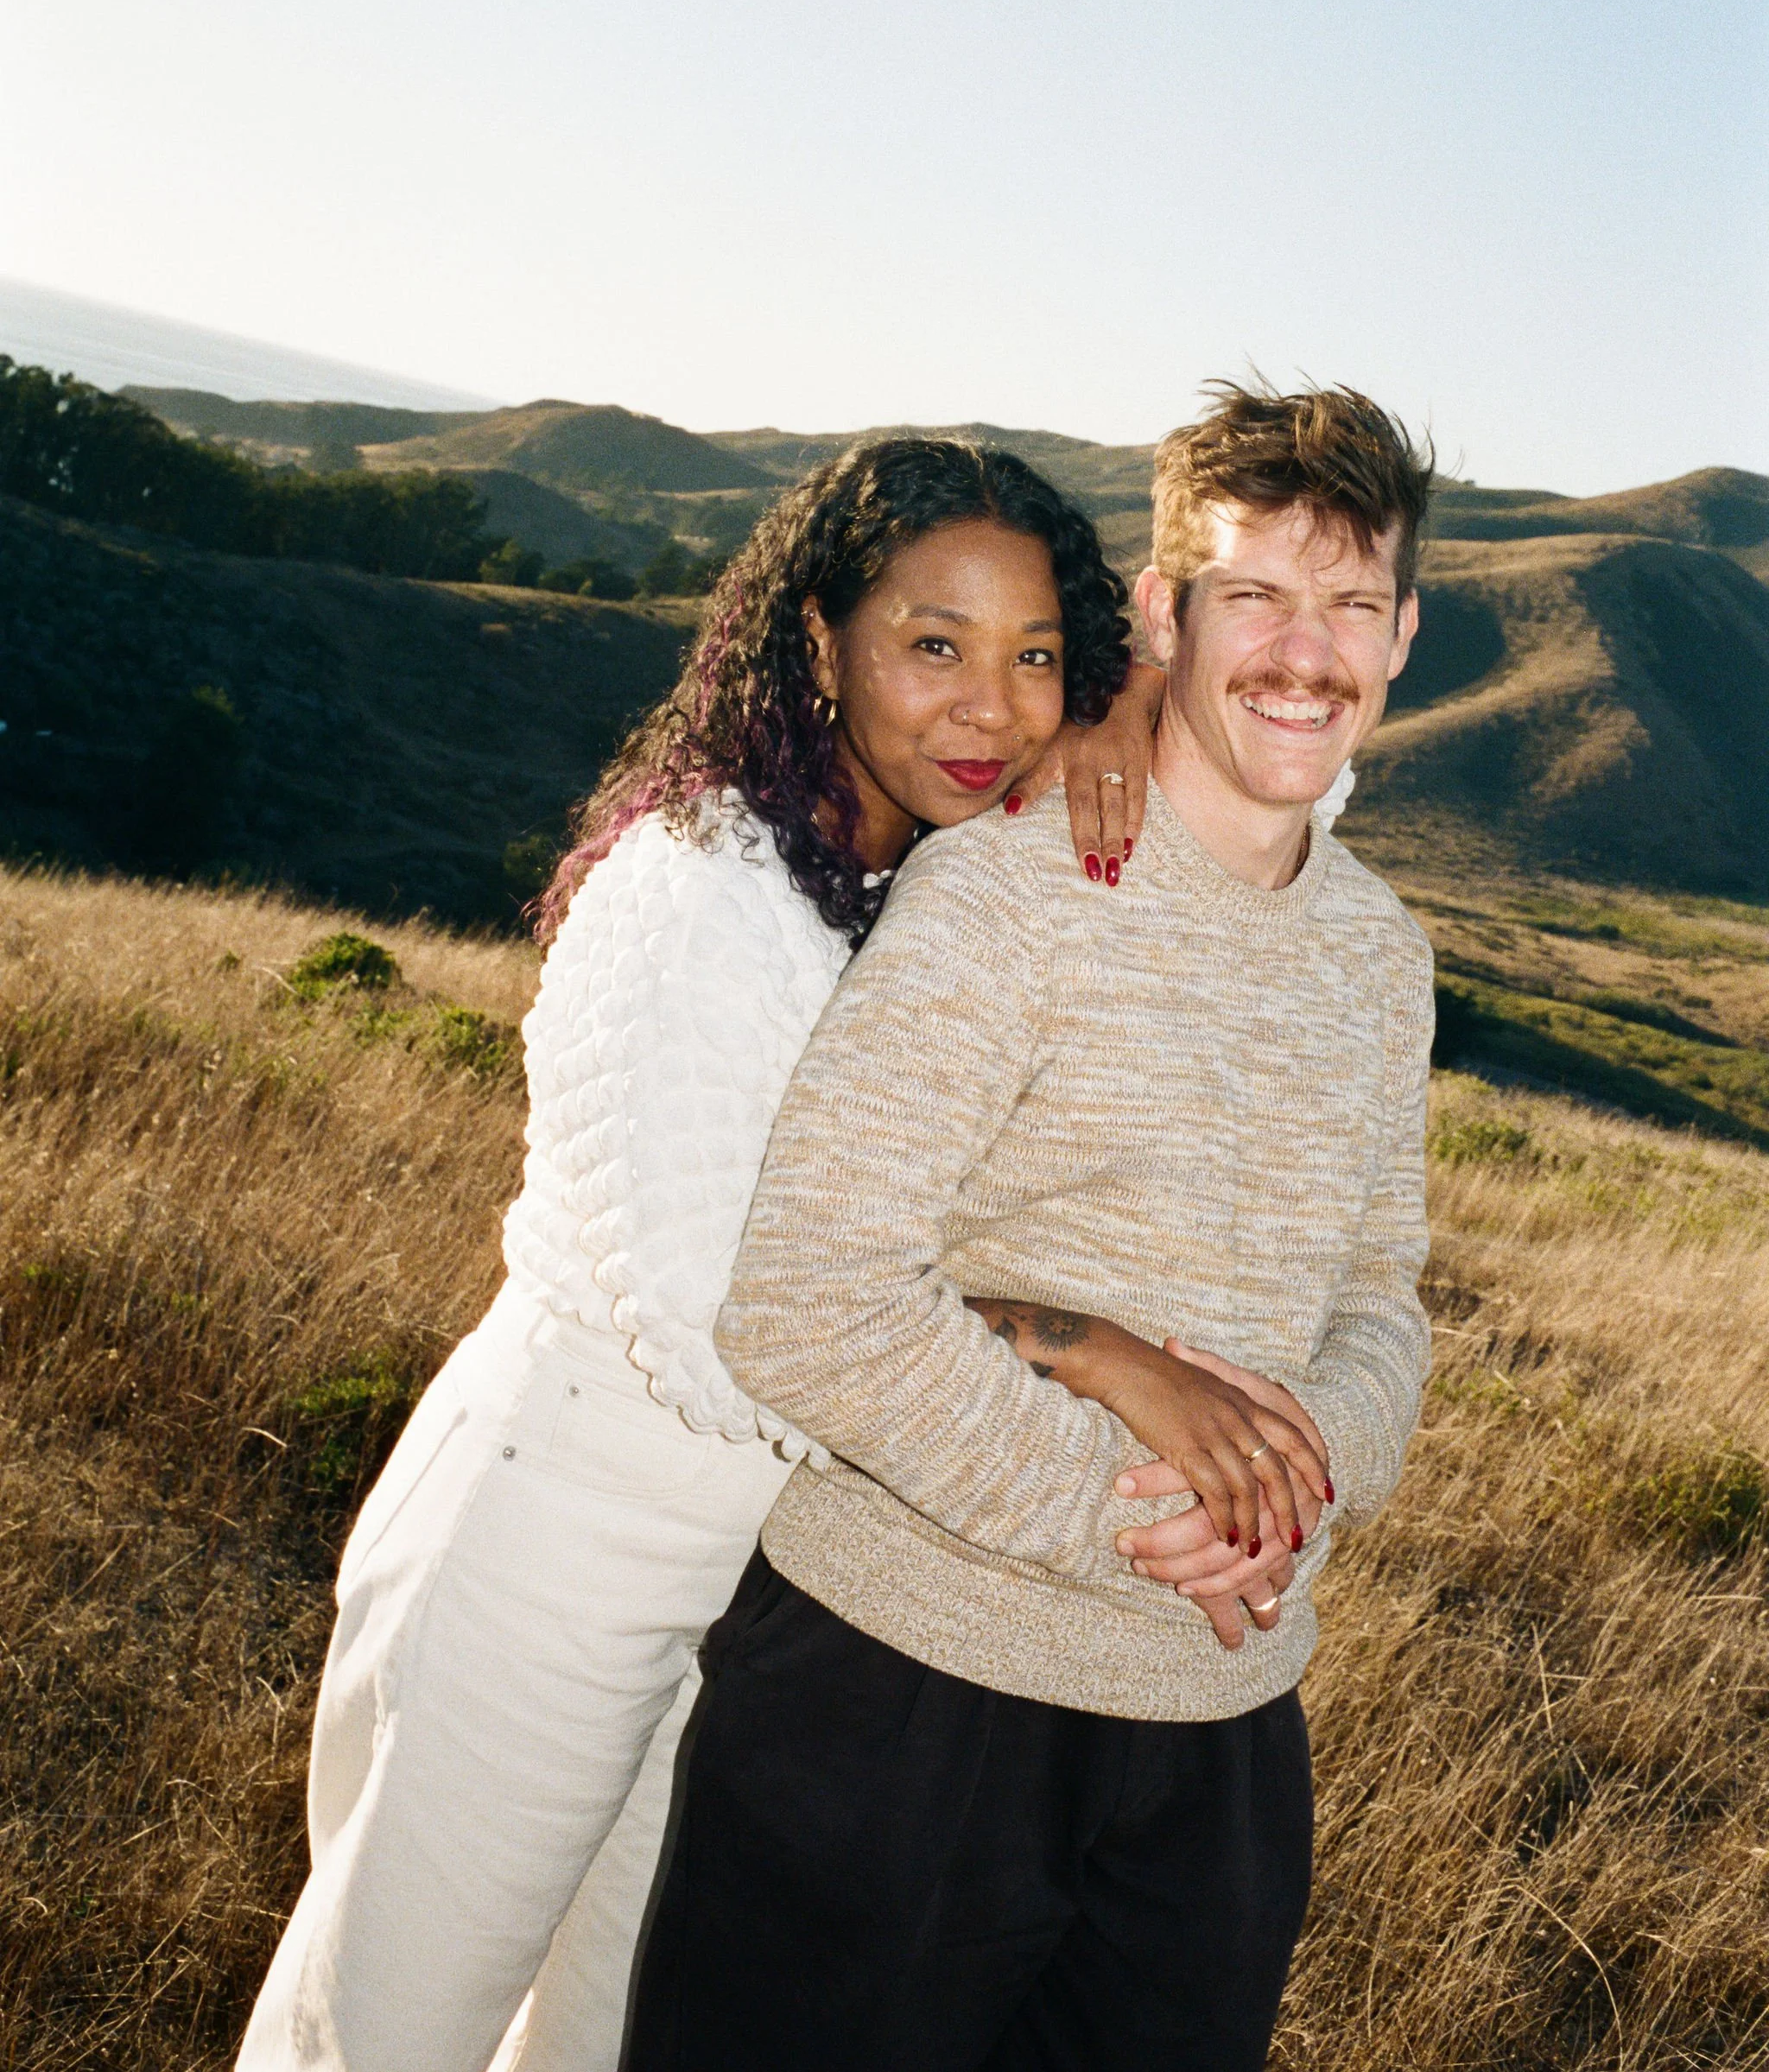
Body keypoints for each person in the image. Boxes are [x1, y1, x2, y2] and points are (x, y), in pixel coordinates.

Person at [236, 435, 1309, 2072]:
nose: (989, 708)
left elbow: (1298, 770)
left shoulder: (924, 872)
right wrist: (1094, 1353)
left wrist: (1132, 700)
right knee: (382, 2028)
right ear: (822, 636)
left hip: (764, 1593)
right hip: (560, 1529)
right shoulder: (699, 892)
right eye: (932, 646)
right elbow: (735, 1315)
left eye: (1034, 659)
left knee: (603, 2040)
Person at [625, 382, 1438, 2072]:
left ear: (1404, 631)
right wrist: (1140, 1516)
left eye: (1349, 602)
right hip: (903, 1699)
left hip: (1216, 1737)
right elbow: (809, 1304)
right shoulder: (1002, 888)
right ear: (1160, 617)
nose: (1306, 650)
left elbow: (1379, 1293)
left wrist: (1302, 1480)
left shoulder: (1381, 954)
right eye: (1256, 596)